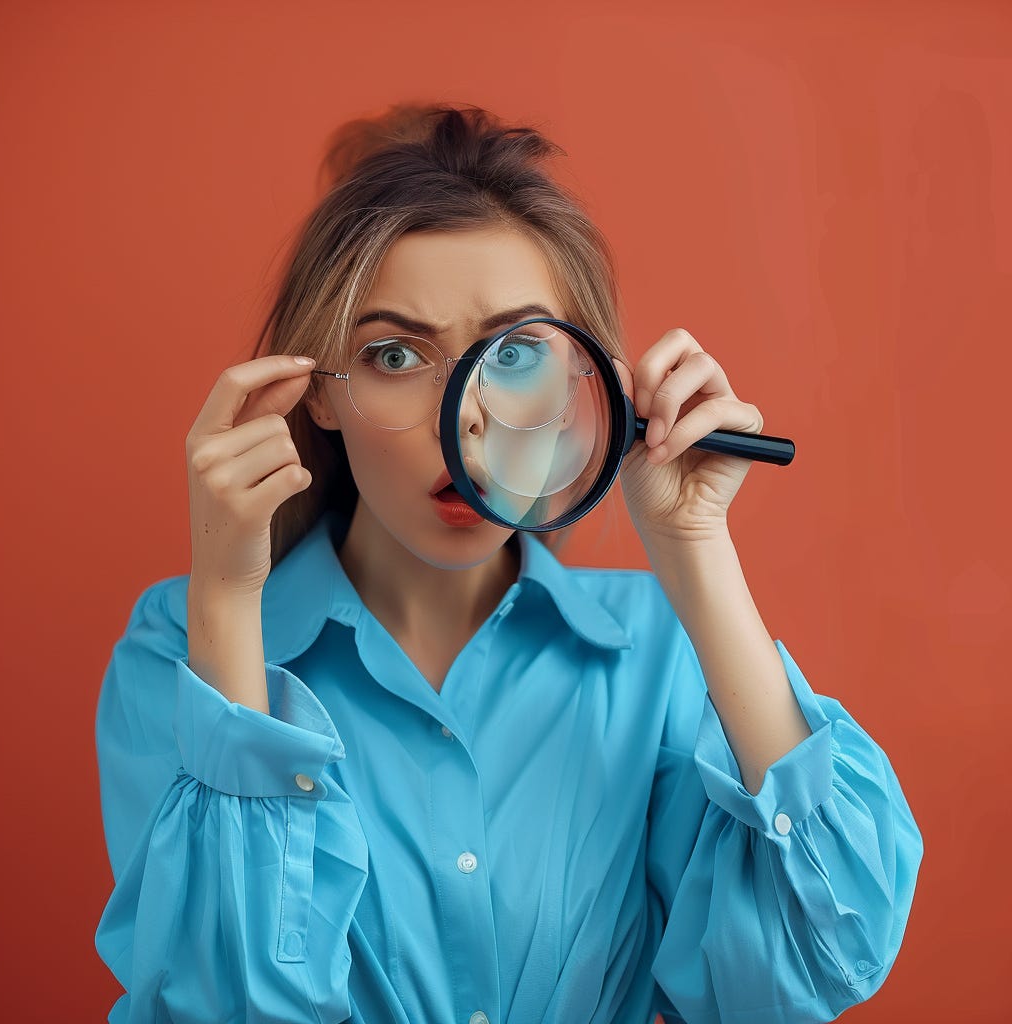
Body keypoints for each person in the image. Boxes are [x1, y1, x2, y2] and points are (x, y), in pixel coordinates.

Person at [94, 105, 922, 1024]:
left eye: (518, 351)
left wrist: (696, 547)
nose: (470, 413)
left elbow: (827, 950)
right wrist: (227, 596)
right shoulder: (181, 646)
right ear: (317, 394)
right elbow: (216, 1004)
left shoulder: (655, 653)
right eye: (396, 353)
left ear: (585, 387)